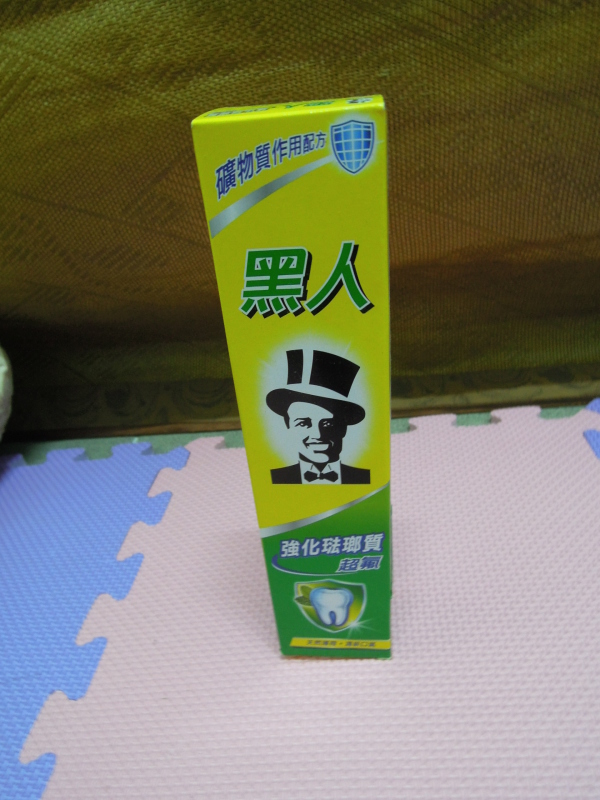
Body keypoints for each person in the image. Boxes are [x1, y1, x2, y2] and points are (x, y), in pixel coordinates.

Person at [266, 348, 370, 485]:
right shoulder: (277, 479)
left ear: (344, 428)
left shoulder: (366, 479)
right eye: (303, 423)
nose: (318, 434)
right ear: (288, 425)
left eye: (328, 424)